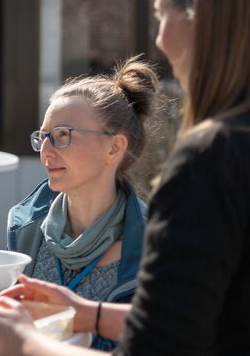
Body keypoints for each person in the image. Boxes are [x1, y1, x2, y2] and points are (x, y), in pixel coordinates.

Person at [0, 0, 250, 355]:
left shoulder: (214, 160)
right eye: (45, 136)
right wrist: (86, 313)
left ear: (201, 20)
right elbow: (221, 316)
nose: (160, 39)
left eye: (163, 14)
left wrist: (20, 343)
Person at [8, 57, 157, 350]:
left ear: (114, 147)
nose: (46, 151)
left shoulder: (155, 247)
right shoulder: (26, 226)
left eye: (63, 136)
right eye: (43, 137)